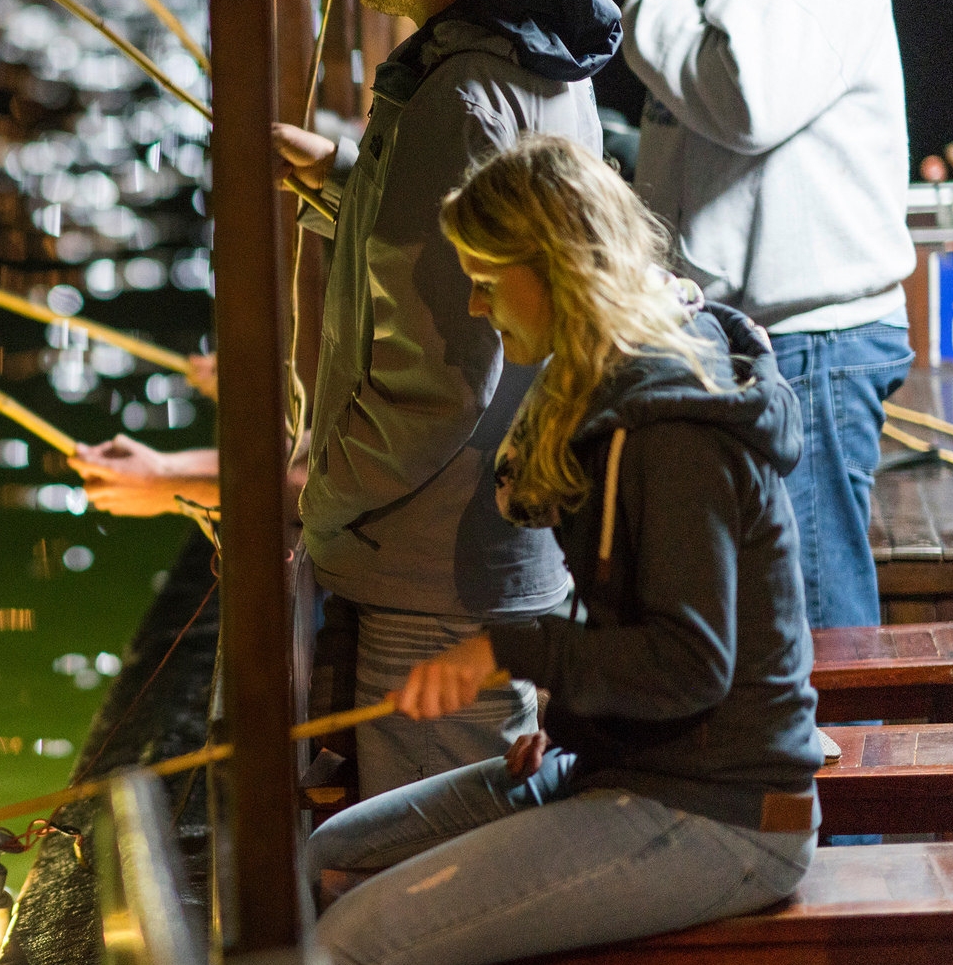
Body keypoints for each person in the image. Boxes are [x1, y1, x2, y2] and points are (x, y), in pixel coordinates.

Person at [80, 0, 622, 797]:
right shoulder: (541, 55)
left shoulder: (459, 99)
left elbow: (437, 387)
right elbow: (477, 235)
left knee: (442, 870)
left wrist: (313, 503)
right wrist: (345, 177)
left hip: (435, 568)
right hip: (496, 544)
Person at [308, 135, 822, 965]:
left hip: (724, 813)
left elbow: (692, 663)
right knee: (327, 853)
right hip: (631, 765)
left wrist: (506, 651)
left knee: (354, 938)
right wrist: (585, 721)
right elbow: (639, 632)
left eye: (483, 282)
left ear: (556, 270)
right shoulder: (608, 392)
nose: (476, 308)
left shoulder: (670, 429)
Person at [592, 0, 916, 631]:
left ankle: (848, 762)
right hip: (762, 339)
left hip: (812, 344)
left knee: (809, 621)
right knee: (775, 619)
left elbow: (743, 98)